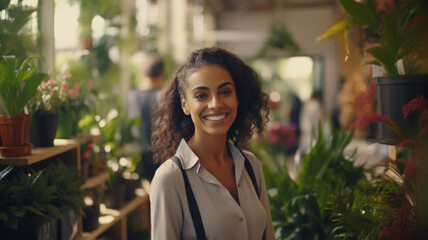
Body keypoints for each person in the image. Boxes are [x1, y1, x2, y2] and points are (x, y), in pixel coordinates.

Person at [149, 47, 275, 240]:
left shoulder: (250, 166)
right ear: (185, 104)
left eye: (225, 91)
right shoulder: (171, 179)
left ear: (237, 98)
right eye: (201, 95)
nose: (216, 103)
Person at [124, 53, 164, 181]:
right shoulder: (162, 97)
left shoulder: (130, 96)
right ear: (161, 73)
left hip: (135, 157)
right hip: (158, 156)